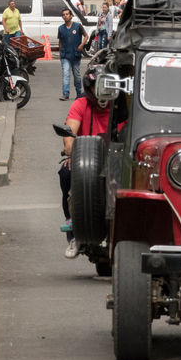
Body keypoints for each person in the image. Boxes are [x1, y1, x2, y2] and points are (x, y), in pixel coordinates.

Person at [58, 65, 113, 259]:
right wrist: (72, 153)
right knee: (65, 172)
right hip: (85, 163)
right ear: (90, 89)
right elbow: (69, 132)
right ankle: (73, 231)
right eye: (97, 88)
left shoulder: (121, 107)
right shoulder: (80, 104)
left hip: (115, 161)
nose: (102, 94)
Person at [57, 9, 88, 101]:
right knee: (66, 74)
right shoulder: (61, 28)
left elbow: (86, 36)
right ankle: (65, 94)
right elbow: (60, 41)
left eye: (67, 14)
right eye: (63, 14)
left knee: (77, 76)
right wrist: (60, 53)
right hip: (65, 56)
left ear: (71, 16)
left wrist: (82, 45)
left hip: (76, 55)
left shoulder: (78, 26)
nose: (65, 16)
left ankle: (79, 93)